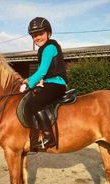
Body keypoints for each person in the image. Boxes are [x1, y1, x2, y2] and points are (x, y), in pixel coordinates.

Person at [20, 17, 68, 149]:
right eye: (34, 35)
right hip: (49, 83)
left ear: (49, 33)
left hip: (57, 84)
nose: (37, 37)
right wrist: (28, 79)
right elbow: (42, 73)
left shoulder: (50, 47)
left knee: (35, 103)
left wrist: (28, 85)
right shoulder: (44, 49)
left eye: (40, 34)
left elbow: (42, 71)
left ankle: (49, 137)